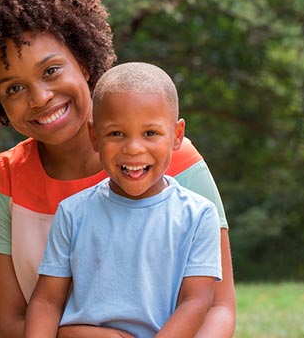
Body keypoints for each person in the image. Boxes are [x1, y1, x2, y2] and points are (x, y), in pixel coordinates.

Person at [0, 0, 235, 338]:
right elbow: (12, 323)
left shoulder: (173, 161)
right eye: (14, 88)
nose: (40, 97)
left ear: (82, 61)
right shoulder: (3, 182)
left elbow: (218, 306)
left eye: (51, 71)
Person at [24, 62, 222, 338]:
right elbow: (46, 300)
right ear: (95, 137)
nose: (133, 148)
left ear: (177, 136)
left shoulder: (198, 215)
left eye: (150, 133)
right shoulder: (73, 212)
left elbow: (196, 301)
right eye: (116, 134)